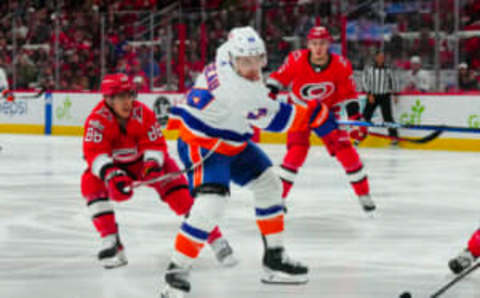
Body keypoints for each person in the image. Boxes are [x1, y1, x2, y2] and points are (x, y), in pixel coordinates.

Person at [160, 26, 337, 297]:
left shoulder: (224, 53)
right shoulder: (239, 91)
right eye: (245, 62)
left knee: (269, 184)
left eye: (258, 59)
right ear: (233, 60)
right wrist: (318, 114)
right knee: (211, 204)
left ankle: (274, 258)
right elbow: (280, 121)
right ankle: (176, 272)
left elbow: (242, 37)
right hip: (204, 144)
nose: (254, 68)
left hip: (231, 138)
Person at [81, 73, 236, 269]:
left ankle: (216, 240)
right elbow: (94, 154)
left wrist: (152, 164)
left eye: (129, 95)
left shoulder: (143, 113)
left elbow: (155, 144)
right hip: (117, 167)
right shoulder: (96, 121)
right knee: (89, 183)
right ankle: (111, 241)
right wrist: (112, 175)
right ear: (107, 99)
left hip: (146, 163)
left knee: (182, 200)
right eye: (120, 96)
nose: (127, 101)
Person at [266, 26, 375, 213]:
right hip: (300, 112)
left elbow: (349, 95)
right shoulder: (296, 59)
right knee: (296, 152)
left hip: (326, 114)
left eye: (322, 44)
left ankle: (363, 194)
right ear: (308, 44)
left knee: (346, 151)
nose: (318, 48)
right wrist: (269, 96)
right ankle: (279, 199)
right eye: (314, 44)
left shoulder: (340, 64)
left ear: (329, 44)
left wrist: (356, 117)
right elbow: (277, 79)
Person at [362, 51, 400, 146]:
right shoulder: (369, 69)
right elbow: (364, 81)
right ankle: (360, 135)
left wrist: (395, 94)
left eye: (382, 57)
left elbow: (393, 81)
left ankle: (394, 137)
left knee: (388, 117)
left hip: (384, 96)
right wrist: (369, 94)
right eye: (379, 57)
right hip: (373, 95)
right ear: (375, 58)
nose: (381, 59)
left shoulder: (388, 69)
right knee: (365, 116)